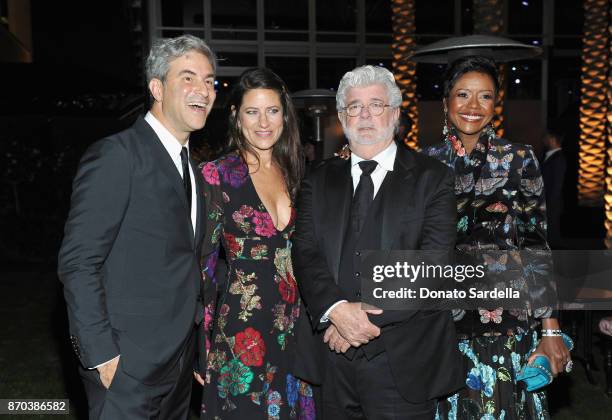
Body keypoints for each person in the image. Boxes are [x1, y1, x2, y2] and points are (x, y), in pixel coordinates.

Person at [291, 65, 463, 419]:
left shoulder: (433, 179)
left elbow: (433, 264)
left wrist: (357, 324)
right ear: (341, 116)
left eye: (376, 104)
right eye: (354, 106)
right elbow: (306, 253)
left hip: (403, 360)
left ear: (396, 113)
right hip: (331, 360)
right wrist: (335, 311)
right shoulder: (317, 180)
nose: (365, 115)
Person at [57, 35, 215, 419]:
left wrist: (196, 351)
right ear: (157, 87)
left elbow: (186, 265)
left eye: (210, 81)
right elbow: (78, 263)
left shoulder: (193, 171)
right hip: (127, 366)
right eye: (189, 78)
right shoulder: (117, 155)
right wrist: (102, 356)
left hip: (177, 368)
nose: (204, 91)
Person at [423, 55, 571, 419]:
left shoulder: (520, 160)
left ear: (495, 105)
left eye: (485, 97)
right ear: (446, 103)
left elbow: (536, 246)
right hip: (443, 322)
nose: (474, 106)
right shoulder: (423, 165)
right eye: (463, 95)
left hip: (507, 320)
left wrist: (550, 330)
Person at [196, 67, 315, 419]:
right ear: (236, 116)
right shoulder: (217, 174)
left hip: (294, 325)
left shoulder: (293, 170)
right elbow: (203, 264)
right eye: (252, 111)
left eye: (273, 111)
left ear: (285, 115)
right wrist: (200, 347)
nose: (264, 122)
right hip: (243, 328)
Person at [540, 129, 566, 248]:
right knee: (548, 233)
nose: (544, 140)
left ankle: (556, 262)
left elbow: (557, 184)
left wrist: (548, 204)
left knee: (552, 234)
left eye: (546, 137)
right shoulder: (548, 156)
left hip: (551, 203)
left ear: (553, 140)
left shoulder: (558, 159)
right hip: (546, 202)